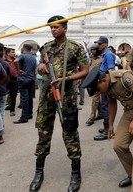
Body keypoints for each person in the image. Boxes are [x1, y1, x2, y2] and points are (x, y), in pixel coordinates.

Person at [29, 15, 89, 192]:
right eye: (51, 28)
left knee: (70, 133)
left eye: (56, 27)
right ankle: (39, 173)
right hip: (47, 97)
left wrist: (66, 78)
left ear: (65, 28)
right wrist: (40, 66)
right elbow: (42, 65)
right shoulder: (46, 47)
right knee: (43, 133)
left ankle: (76, 173)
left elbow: (85, 71)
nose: (53, 30)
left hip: (66, 97)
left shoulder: (75, 47)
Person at [83, 66, 133, 191]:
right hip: (129, 112)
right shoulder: (107, 86)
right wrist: (110, 125)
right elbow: (112, 103)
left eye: (99, 89)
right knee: (119, 145)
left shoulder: (123, 77)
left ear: (103, 81)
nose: (100, 92)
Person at [93, 36, 115, 141]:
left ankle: (107, 130)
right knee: (104, 105)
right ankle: (106, 127)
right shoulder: (105, 54)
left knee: (106, 106)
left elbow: (111, 70)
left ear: (105, 44)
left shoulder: (109, 55)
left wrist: (107, 86)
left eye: (100, 44)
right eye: (98, 44)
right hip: (103, 81)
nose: (99, 45)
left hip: (106, 82)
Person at [13, 44, 37, 124]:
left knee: (24, 99)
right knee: (29, 97)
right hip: (31, 79)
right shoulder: (33, 58)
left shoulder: (22, 55)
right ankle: (29, 114)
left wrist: (18, 70)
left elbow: (15, 61)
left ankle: (24, 117)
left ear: (23, 49)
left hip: (23, 79)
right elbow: (34, 70)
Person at [85, 43, 103, 126]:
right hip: (91, 81)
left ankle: (92, 116)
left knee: (95, 98)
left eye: (94, 49)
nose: (93, 51)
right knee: (96, 98)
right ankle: (100, 113)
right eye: (92, 49)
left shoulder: (101, 59)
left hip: (98, 81)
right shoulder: (91, 59)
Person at [4, 48, 18, 116]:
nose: (14, 53)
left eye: (14, 52)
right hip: (6, 79)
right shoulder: (4, 61)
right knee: (3, 94)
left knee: (13, 95)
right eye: (12, 52)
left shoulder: (16, 61)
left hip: (14, 80)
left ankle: (12, 110)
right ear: (8, 53)